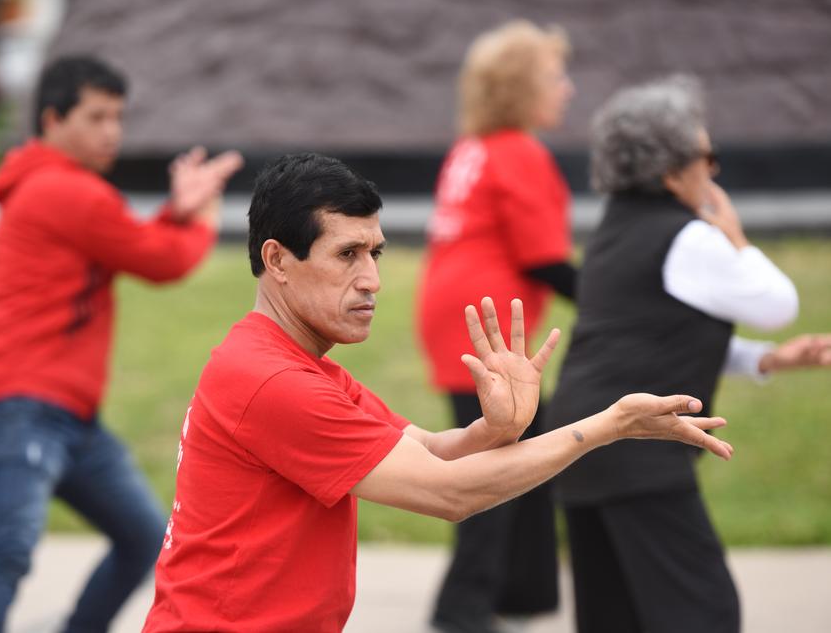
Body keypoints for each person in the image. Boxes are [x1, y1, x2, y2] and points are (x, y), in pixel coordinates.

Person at [141, 152, 735, 633]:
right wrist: (606, 428)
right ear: (278, 259)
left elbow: (428, 450)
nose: (371, 279)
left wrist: (496, 430)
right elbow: (450, 494)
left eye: (374, 253)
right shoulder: (273, 381)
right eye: (346, 255)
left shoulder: (295, 364)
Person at [0, 55, 243, 633]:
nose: (112, 130)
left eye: (118, 117)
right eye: (95, 117)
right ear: (52, 119)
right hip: (22, 408)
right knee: (9, 552)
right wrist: (202, 216)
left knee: (143, 537)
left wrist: (175, 211)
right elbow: (161, 259)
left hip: (68, 417)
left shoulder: (59, 190)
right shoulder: (64, 191)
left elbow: (130, 242)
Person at [543, 75, 831, 633]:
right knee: (701, 611)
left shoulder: (614, 229)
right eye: (707, 155)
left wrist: (766, 361)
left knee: (614, 616)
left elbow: (653, 335)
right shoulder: (689, 238)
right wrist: (736, 236)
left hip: (580, 440)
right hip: (636, 451)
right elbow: (779, 303)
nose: (715, 170)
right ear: (673, 171)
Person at [416, 19, 576, 633]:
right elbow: (546, 261)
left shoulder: (475, 147)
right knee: (499, 466)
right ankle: (463, 610)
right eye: (555, 77)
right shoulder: (517, 152)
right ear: (521, 88)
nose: (567, 89)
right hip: (486, 329)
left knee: (529, 452)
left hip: (456, 318)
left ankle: (521, 594)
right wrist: (617, 303)